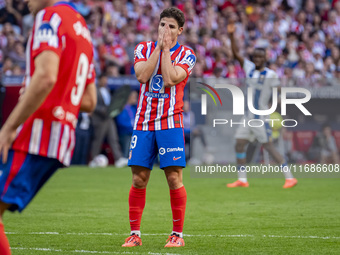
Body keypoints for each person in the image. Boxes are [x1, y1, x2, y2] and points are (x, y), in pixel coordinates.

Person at [0, 1, 97, 254]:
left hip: (35, 134)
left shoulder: (49, 18)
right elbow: (89, 100)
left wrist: (9, 127)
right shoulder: (82, 30)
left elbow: (46, 76)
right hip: (61, 139)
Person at [122, 7, 196, 248]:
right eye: (163, 24)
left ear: (180, 31)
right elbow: (142, 76)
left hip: (170, 123)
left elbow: (171, 78)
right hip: (143, 122)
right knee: (139, 178)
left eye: (172, 26)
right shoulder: (143, 49)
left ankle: (177, 235)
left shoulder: (186, 53)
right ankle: (135, 234)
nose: (166, 30)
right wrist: (159, 48)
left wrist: (166, 50)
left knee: (174, 177)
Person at [226, 21, 298, 189]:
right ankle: (242, 179)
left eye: (260, 57)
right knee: (239, 143)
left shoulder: (271, 74)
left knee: (269, 147)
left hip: (260, 116)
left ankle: (289, 177)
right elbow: (236, 54)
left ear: (265, 58)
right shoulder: (250, 68)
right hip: (248, 116)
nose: (257, 59)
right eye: (255, 57)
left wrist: (278, 103)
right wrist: (231, 36)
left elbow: (280, 90)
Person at [89, 73, 128, 168]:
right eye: (103, 79)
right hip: (99, 119)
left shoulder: (107, 90)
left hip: (109, 118)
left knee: (113, 138)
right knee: (98, 140)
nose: (105, 81)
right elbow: (93, 105)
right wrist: (103, 110)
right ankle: (93, 159)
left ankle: (118, 159)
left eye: (106, 79)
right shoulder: (95, 90)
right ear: (99, 80)